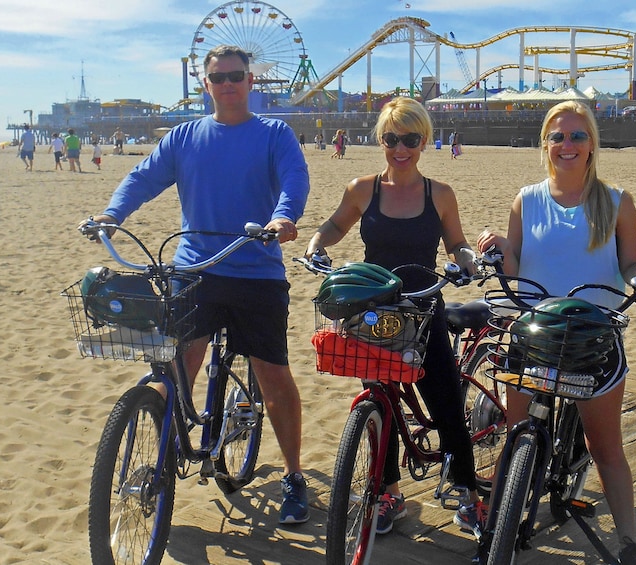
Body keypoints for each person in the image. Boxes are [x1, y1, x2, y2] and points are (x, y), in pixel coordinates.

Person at [84, 44, 312, 526]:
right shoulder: (184, 137)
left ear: (251, 81)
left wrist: (283, 218)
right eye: (218, 77)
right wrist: (112, 215)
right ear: (205, 84)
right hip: (195, 269)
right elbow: (143, 177)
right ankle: (162, 451)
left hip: (256, 271)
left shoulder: (274, 134)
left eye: (236, 75)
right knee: (178, 361)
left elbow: (294, 180)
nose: (227, 83)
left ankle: (293, 476)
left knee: (272, 375)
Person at [476, 100, 636, 565]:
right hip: (536, 331)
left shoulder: (616, 201)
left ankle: (628, 542)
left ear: (592, 144)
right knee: (517, 434)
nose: (567, 144)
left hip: (592, 336)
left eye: (577, 136)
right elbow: (518, 269)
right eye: (558, 136)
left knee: (605, 448)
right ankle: (497, 529)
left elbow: (630, 263)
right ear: (546, 144)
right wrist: (501, 249)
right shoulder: (526, 199)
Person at [303, 97, 486, 536]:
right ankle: (388, 493)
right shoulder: (362, 188)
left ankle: (468, 494)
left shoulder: (438, 194)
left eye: (410, 139)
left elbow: (456, 244)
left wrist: (465, 262)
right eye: (391, 139)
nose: (399, 148)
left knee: (444, 403)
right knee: (378, 403)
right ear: (380, 139)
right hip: (373, 310)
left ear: (424, 140)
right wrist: (315, 246)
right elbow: (333, 226)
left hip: (423, 309)